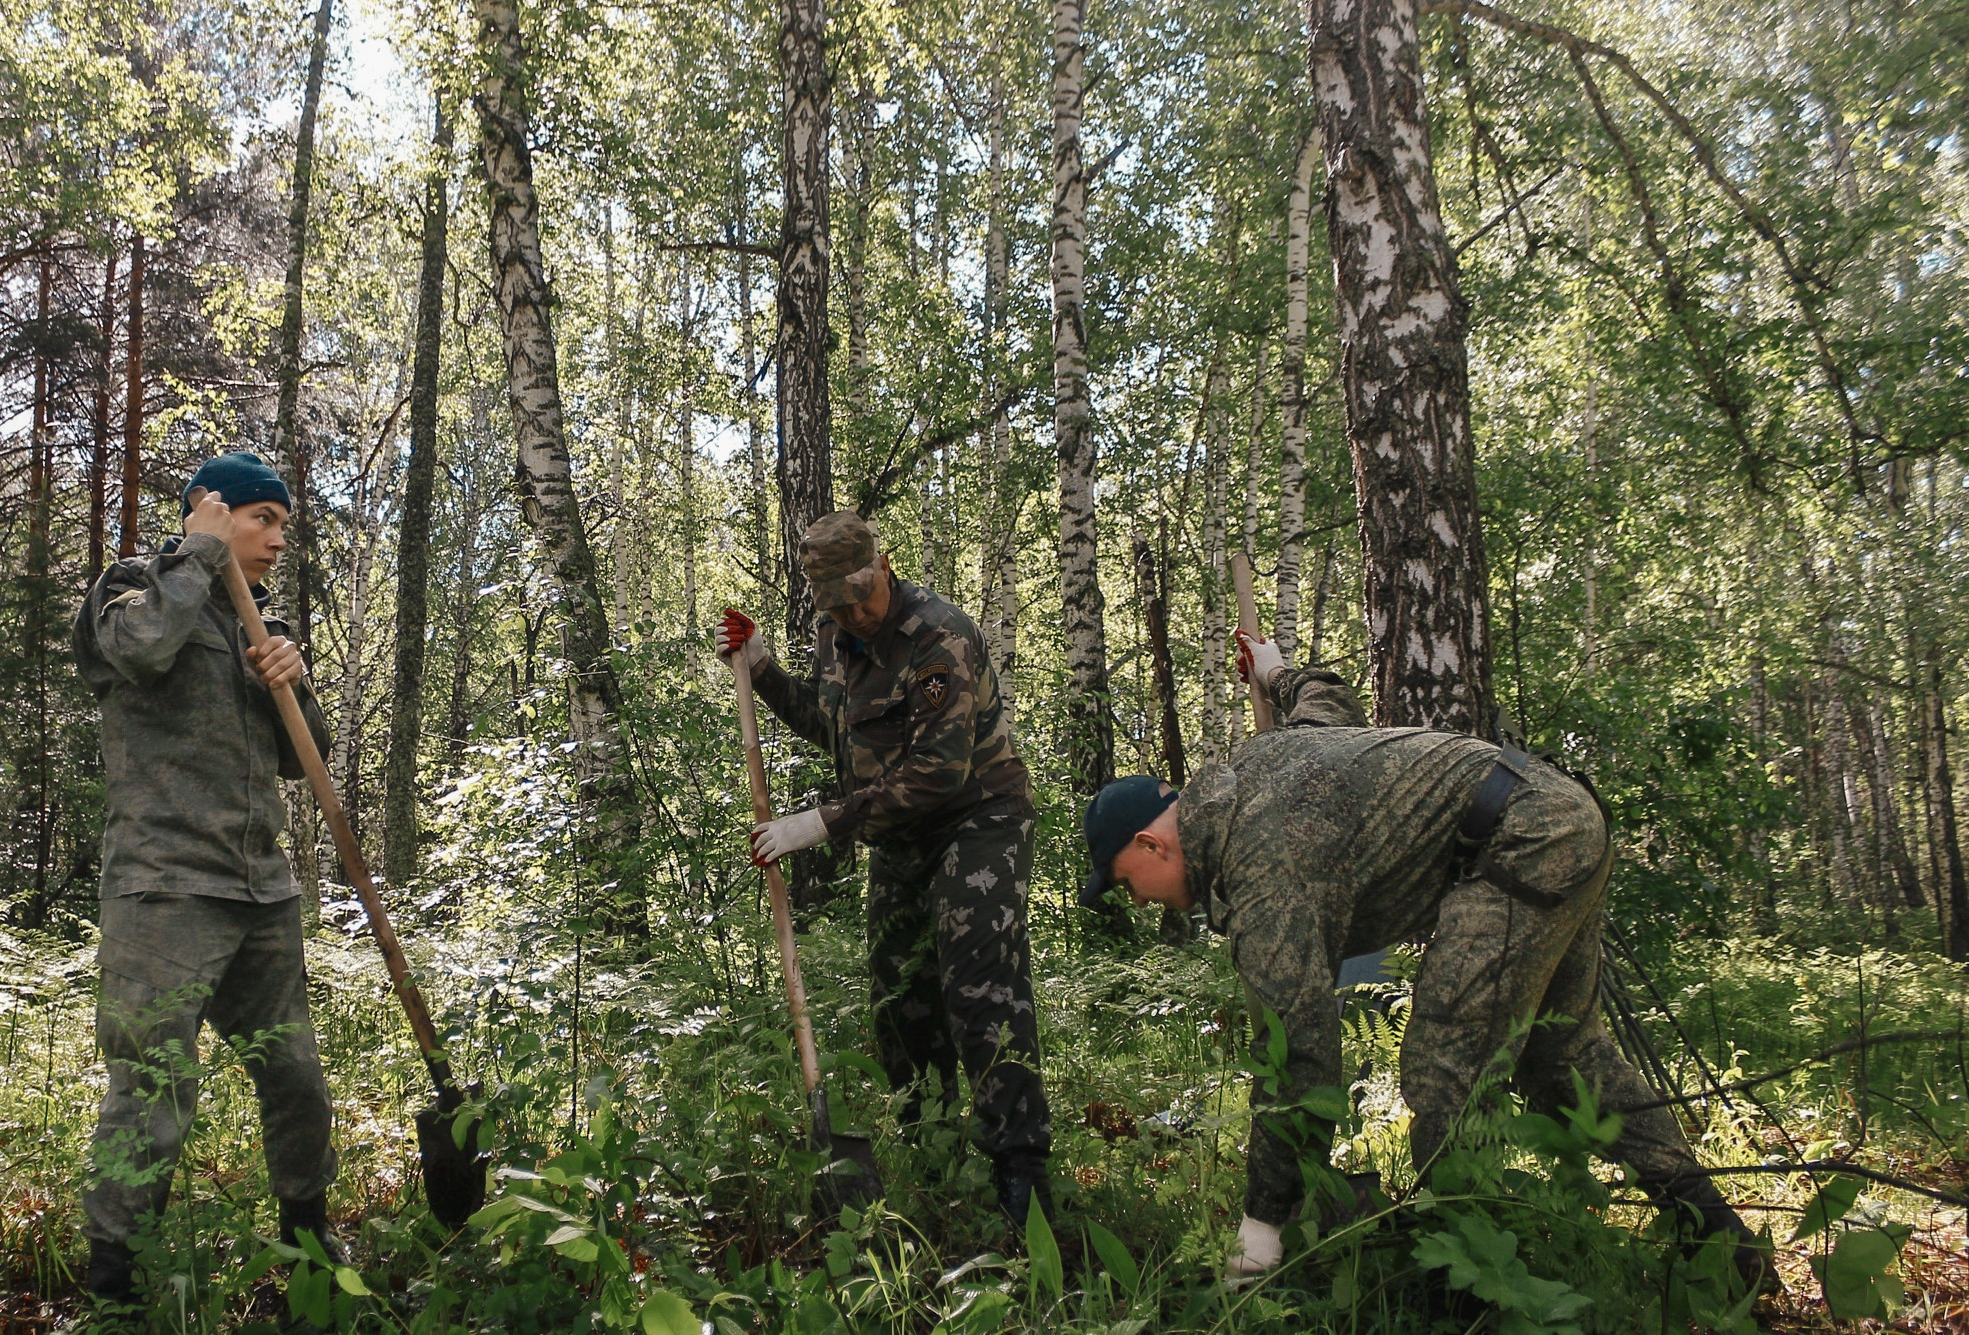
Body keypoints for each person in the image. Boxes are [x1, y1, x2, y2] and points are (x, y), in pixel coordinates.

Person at [1080, 633, 1765, 1286]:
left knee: (1442, 1074)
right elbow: (1328, 703)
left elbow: (1301, 1058)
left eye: (1126, 885)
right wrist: (1276, 671)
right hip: (1555, 810)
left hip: (1521, 842)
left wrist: (1262, 1229)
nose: (1140, 904)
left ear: (1153, 845)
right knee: (1566, 1054)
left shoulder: (1261, 866)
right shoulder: (1266, 761)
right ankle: (1721, 1243)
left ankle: (1474, 1277)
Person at [714, 511, 1051, 1225]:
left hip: (976, 816)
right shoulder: (839, 637)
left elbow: (938, 769)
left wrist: (823, 821)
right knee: (900, 997)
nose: (853, 614)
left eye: (860, 597)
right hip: (898, 833)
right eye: (836, 603)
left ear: (884, 567)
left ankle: (1022, 1175)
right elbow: (835, 729)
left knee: (978, 979)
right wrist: (766, 670)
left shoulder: (939, 635)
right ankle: (931, 1154)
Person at [72, 451, 341, 1304]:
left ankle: (310, 1243)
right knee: (153, 1089)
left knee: (295, 1074)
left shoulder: (258, 622)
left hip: (262, 887)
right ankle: (115, 1285)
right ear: (212, 511)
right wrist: (198, 555)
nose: (277, 540)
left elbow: (309, 761)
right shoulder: (132, 589)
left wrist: (292, 686)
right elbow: (145, 650)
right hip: (164, 888)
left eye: (283, 526)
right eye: (264, 520)